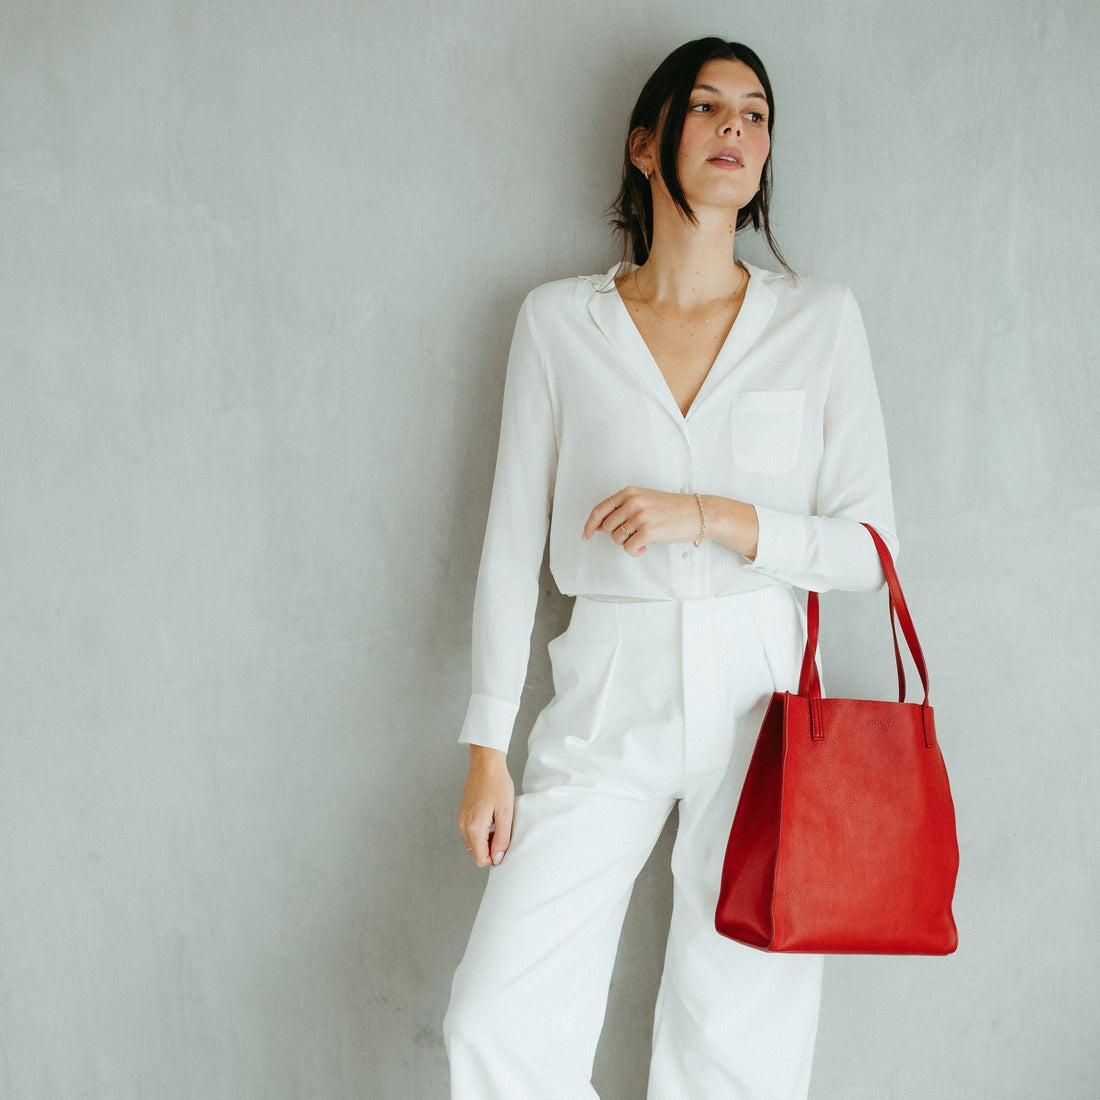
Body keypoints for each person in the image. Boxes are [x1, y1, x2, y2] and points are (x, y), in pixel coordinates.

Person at [443, 36, 897, 1099]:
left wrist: (709, 515)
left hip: (763, 704)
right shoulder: (561, 321)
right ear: (646, 144)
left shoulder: (818, 322)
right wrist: (484, 742)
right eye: (705, 107)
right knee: (493, 1018)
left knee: (740, 1044)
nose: (734, 126)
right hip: (602, 690)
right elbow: (510, 540)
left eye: (753, 112)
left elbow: (867, 550)